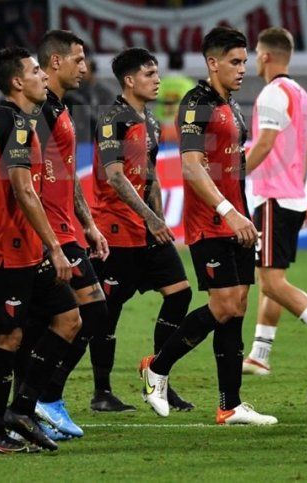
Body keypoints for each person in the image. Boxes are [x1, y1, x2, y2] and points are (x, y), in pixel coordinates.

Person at [139, 26, 276, 425]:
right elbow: (190, 166)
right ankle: (157, 368)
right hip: (210, 222)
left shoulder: (231, 106)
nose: (242, 69)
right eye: (235, 62)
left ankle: (230, 404)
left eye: (245, 61)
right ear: (212, 63)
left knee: (238, 308)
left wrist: (243, 212)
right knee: (224, 305)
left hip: (237, 221)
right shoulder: (195, 104)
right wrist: (227, 210)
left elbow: (234, 165)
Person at [0, 46, 83, 455]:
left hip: (26, 246)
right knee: (8, 336)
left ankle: (21, 409)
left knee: (69, 318)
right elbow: (23, 190)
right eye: (36, 71)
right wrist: (56, 247)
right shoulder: (14, 124)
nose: (43, 77)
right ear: (17, 81)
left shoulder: (11, 121)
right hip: (9, 247)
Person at [86, 48, 194, 413]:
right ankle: (101, 393)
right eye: (149, 74)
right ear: (129, 80)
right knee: (107, 313)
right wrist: (151, 218)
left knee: (180, 294)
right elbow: (115, 177)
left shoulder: (150, 121)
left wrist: (158, 220)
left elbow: (149, 176)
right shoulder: (111, 119)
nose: (157, 79)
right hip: (115, 230)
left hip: (146, 229)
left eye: (157, 73)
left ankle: (158, 376)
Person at [241, 27, 307, 377]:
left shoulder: (272, 94)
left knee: (271, 282)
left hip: (272, 197)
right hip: (289, 196)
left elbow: (264, 144)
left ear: (265, 56)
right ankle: (260, 355)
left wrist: (234, 175)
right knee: (272, 277)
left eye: (255, 55)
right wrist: (302, 195)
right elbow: (302, 151)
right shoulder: (301, 95)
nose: (253, 61)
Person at [25, 31, 111, 440]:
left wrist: (87, 222)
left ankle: (31, 404)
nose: (85, 67)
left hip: (66, 228)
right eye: (78, 59)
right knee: (90, 312)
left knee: (51, 322)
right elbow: (21, 178)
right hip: (49, 234)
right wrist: (47, 238)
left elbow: (66, 171)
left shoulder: (58, 107)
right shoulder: (39, 112)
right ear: (55, 62)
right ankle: (44, 398)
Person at [64, 57, 115, 140]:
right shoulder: (72, 92)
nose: (81, 71)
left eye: (85, 67)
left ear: (93, 71)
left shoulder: (104, 93)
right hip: (76, 137)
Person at [156, 51, 195, 143]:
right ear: (182, 64)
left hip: (162, 127)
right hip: (181, 128)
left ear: (168, 64)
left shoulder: (160, 82)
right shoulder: (188, 83)